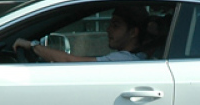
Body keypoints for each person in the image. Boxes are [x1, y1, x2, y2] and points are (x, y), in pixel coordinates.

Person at [13, 4, 149, 63]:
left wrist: (32, 45)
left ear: (133, 32)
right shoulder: (140, 57)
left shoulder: (123, 59)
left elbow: (68, 61)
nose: (108, 29)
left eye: (116, 25)